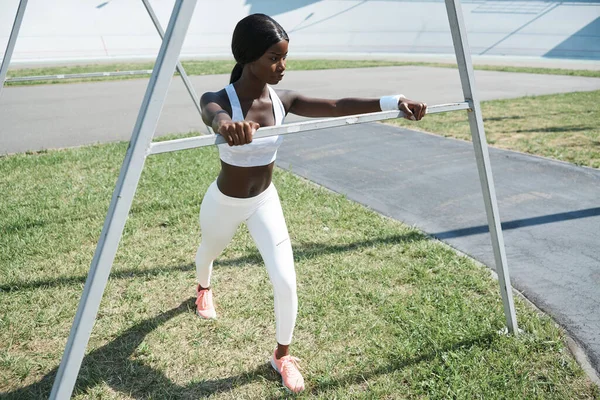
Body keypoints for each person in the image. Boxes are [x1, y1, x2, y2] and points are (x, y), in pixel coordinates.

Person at [195, 13, 427, 393]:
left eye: (284, 57)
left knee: (286, 281)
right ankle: (203, 288)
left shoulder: (282, 99)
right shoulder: (220, 99)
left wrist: (394, 101)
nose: (282, 66)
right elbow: (212, 113)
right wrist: (225, 126)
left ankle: (281, 356)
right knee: (209, 250)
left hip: (264, 201)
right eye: (274, 58)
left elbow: (337, 104)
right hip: (225, 201)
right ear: (248, 56)